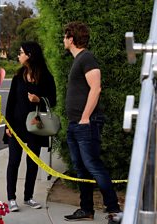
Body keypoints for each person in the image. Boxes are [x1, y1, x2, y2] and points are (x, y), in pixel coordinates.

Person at [62, 21, 122, 224]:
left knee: (93, 166)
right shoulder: (78, 59)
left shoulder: (86, 58)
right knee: (81, 169)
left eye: (65, 36)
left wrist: (86, 117)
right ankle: (86, 209)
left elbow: (96, 88)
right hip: (75, 124)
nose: (63, 40)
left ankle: (114, 210)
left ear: (71, 39)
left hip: (86, 123)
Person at [3, 41, 56, 212]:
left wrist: (39, 100)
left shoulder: (46, 77)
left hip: (36, 126)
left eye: (21, 52)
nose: (19, 55)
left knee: (32, 162)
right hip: (16, 126)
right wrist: (7, 126)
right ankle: (11, 198)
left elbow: (53, 101)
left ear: (30, 55)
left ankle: (28, 197)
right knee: (14, 162)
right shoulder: (18, 77)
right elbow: (10, 103)